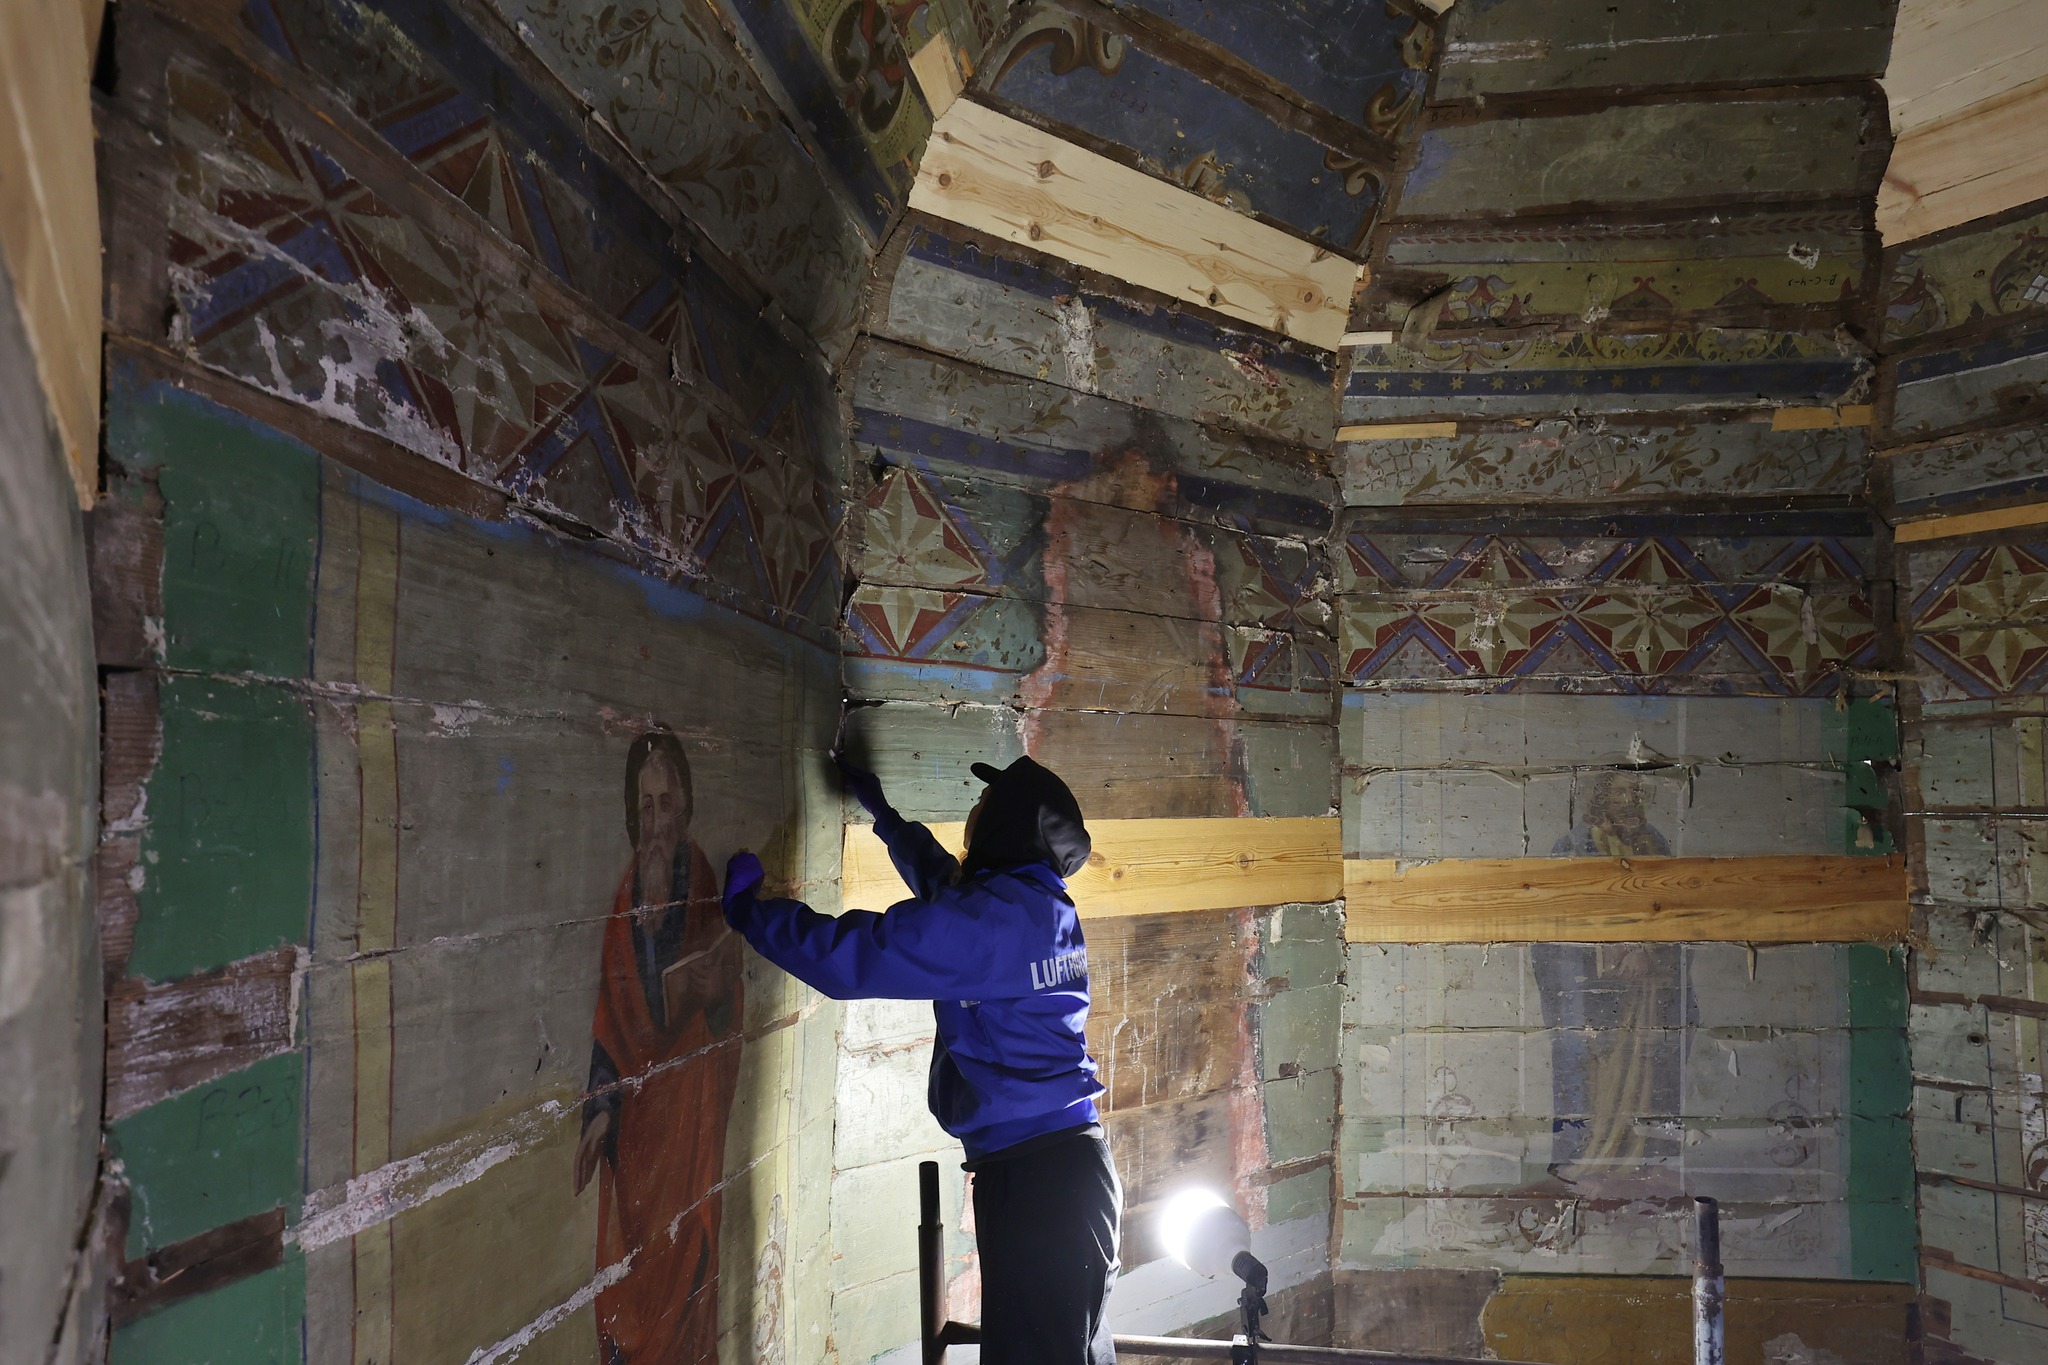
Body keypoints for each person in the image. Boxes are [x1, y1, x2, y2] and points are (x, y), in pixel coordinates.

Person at [723, 753, 1120, 1365]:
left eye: (985, 804)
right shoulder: (1039, 905)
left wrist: (753, 916)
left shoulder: (994, 921)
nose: (975, 811)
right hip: (1067, 1174)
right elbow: (949, 891)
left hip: (1037, 1185)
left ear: (1009, 822)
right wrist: (885, 818)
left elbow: (857, 958)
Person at [575, 728, 743, 1364]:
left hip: (686, 1136)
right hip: (638, 1149)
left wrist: (715, 994)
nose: (655, 821)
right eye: (645, 806)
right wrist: (600, 1114)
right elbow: (610, 1029)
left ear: (684, 809)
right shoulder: (624, 902)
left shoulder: (700, 881)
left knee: (686, 1287)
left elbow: (727, 1006)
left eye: (665, 804)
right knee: (632, 1308)